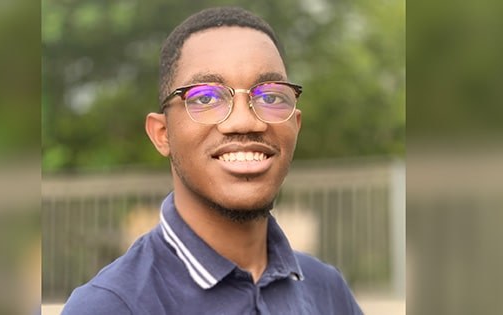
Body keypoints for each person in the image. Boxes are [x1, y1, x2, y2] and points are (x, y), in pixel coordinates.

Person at [62, 6, 363, 315]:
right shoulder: (111, 306)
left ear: (295, 125)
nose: (245, 121)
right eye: (206, 97)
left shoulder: (326, 291)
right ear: (162, 133)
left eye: (270, 96)